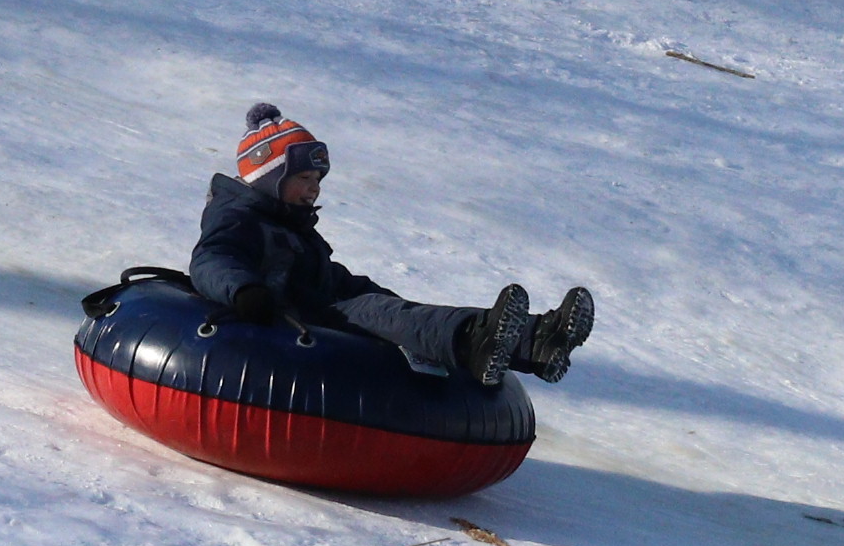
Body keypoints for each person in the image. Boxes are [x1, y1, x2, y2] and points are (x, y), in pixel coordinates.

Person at [191, 103, 591, 387]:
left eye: (318, 181)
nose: (314, 189)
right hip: (291, 318)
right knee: (381, 313)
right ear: (268, 178)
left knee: (398, 309)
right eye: (305, 179)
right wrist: (245, 291)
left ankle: (537, 340)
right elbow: (212, 258)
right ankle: (476, 342)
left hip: (321, 303)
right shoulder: (238, 216)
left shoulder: (290, 225)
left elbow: (323, 276)